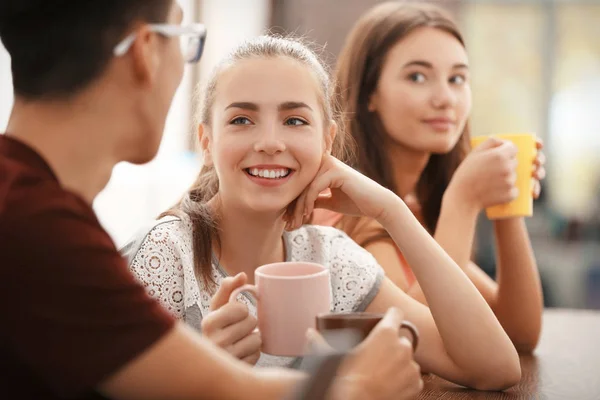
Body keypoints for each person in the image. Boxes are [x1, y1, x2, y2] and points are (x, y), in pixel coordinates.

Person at [0, 1, 424, 399]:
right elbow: (231, 389)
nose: (270, 141)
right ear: (145, 51)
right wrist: (357, 387)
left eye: (294, 119)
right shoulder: (43, 236)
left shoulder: (33, 214)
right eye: (182, 37)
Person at [123, 34, 521, 390]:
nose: (270, 142)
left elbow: (495, 368)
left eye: (294, 120)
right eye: (241, 120)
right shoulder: (163, 256)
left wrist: (391, 211)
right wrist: (207, 380)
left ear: (327, 140)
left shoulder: (330, 257)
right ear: (207, 141)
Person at [313, 2, 545, 352]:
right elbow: (414, 335)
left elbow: (519, 333)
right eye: (417, 76)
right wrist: (464, 200)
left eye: (457, 79)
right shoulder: (341, 206)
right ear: (369, 93)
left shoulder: (414, 211)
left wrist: (508, 201)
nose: (445, 99)